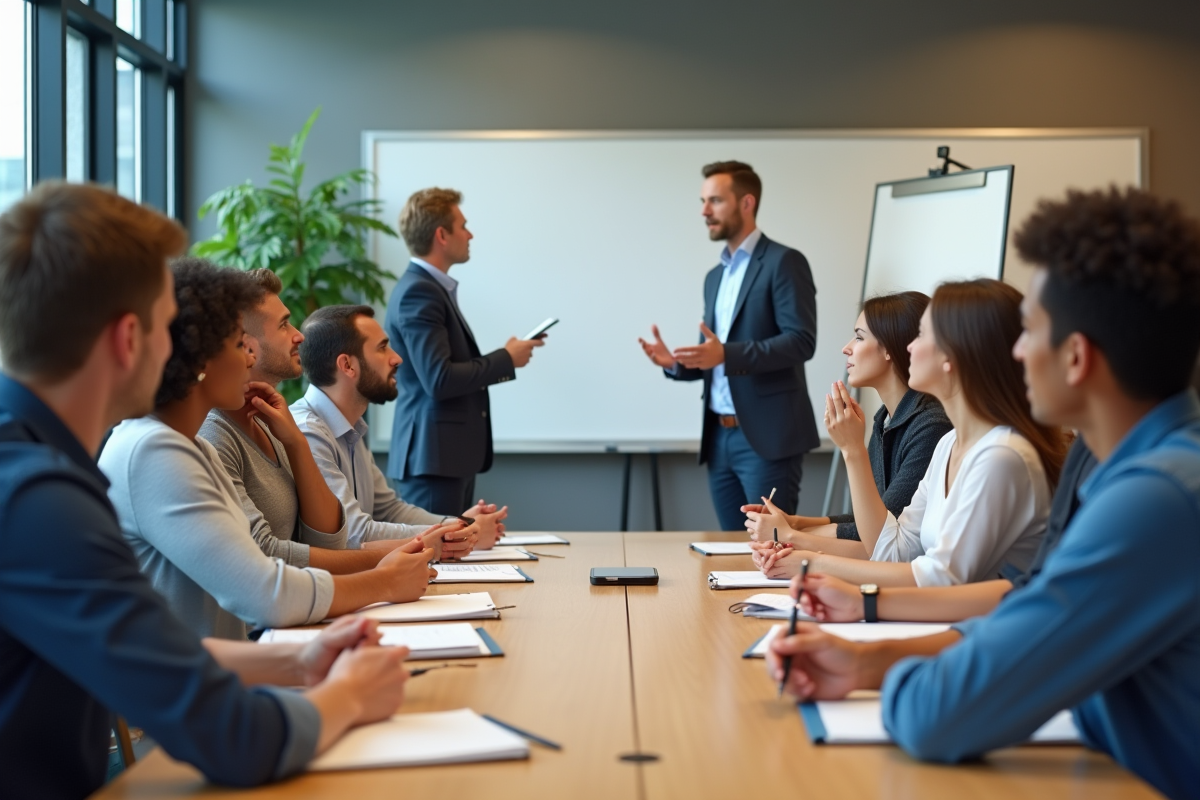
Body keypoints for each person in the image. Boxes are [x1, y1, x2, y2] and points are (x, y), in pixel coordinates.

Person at [766, 187, 1200, 800]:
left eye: (1030, 331)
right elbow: (1030, 607)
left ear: (1076, 358)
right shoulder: (1111, 466)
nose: (1016, 351)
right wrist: (866, 660)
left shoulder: (1155, 499)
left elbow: (939, 714)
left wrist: (886, 663)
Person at [0, 182, 411, 798]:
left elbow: (152, 653)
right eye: (172, 327)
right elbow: (233, 734)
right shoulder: (39, 498)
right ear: (128, 339)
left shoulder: (40, 465)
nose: (183, 348)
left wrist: (298, 660)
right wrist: (351, 695)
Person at [100, 259, 440, 640]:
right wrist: (382, 581)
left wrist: (294, 443)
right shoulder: (154, 450)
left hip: (237, 666)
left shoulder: (195, 447)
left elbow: (313, 547)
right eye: (236, 344)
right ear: (199, 357)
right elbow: (265, 589)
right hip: (197, 687)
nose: (248, 358)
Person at [753, 279, 1068, 587]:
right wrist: (802, 539)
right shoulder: (948, 444)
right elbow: (893, 551)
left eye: (921, 334)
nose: (910, 346)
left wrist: (810, 559)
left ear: (953, 355)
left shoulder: (999, 456)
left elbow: (941, 579)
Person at [198, 268, 475, 571]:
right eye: (284, 324)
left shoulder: (278, 423)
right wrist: (415, 549)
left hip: (303, 610)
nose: (297, 336)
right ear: (246, 346)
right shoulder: (214, 435)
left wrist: (294, 442)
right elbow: (265, 557)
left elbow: (326, 540)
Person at [639, 161, 819, 531]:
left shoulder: (784, 262)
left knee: (770, 552)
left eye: (716, 201)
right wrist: (675, 363)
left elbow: (801, 341)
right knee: (730, 552)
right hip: (718, 438)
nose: (704, 211)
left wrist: (727, 353)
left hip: (766, 440)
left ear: (746, 203)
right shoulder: (715, 276)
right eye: (703, 201)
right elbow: (715, 356)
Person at [743, 292, 951, 556]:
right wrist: (796, 523)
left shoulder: (930, 427)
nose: (847, 347)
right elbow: (864, 518)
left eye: (860, 337)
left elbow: (879, 536)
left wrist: (789, 535)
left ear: (890, 348)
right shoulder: (884, 420)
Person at [293, 304, 506, 548]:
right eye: (382, 348)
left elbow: (389, 510)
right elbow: (353, 533)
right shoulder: (309, 433)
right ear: (348, 365)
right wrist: (462, 533)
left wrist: (460, 524)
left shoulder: (351, 427)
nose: (397, 358)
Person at [385, 187, 541, 515]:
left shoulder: (430, 289)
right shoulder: (420, 293)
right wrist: (506, 359)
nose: (470, 234)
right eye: (463, 226)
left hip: (444, 458)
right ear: (442, 235)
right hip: (433, 461)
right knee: (439, 563)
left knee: (453, 559)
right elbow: (439, 379)